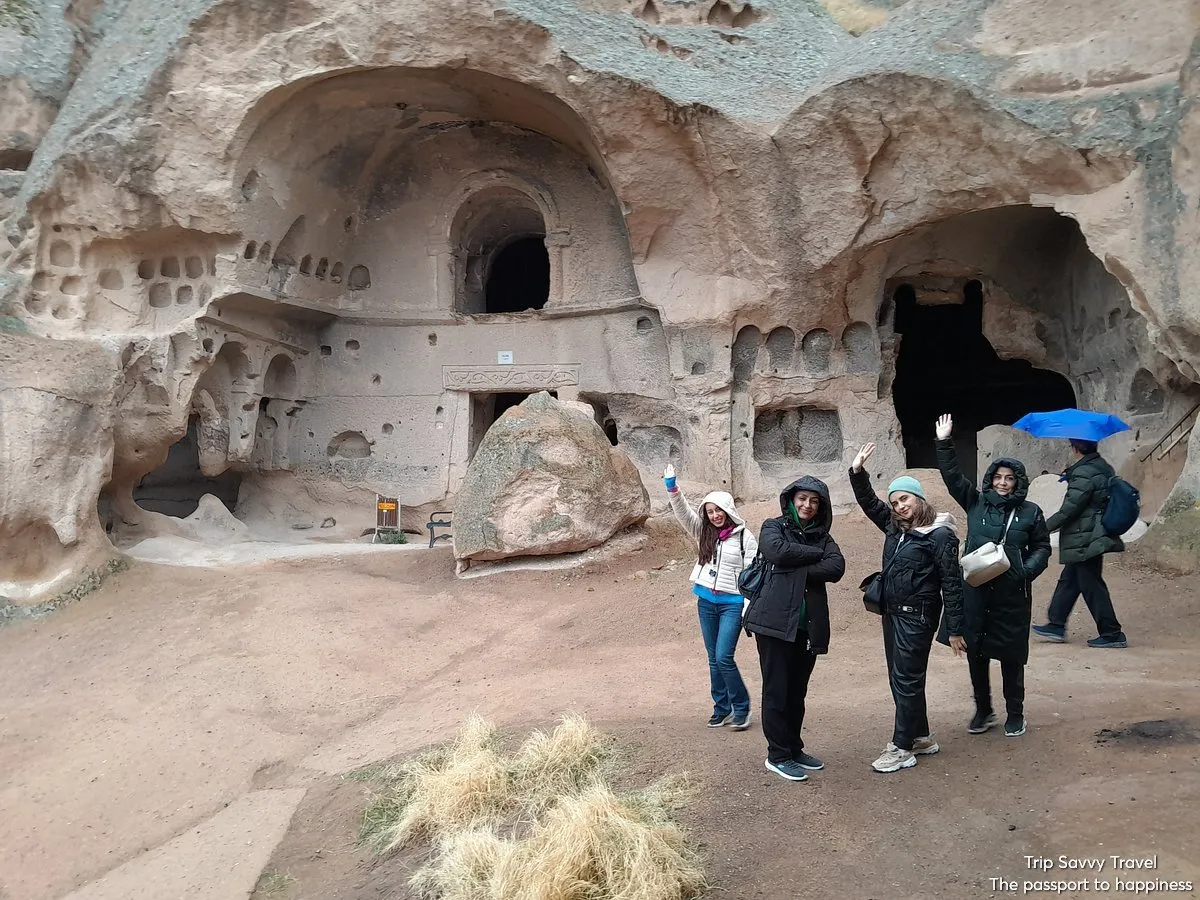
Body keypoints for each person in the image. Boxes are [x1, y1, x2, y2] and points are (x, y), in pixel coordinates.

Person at [849, 443, 966, 773]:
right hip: (892, 613)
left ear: (919, 499)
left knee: (907, 679)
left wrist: (955, 628)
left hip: (918, 617)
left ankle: (902, 748)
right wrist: (857, 472)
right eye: (896, 501)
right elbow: (870, 503)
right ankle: (921, 737)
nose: (900, 505)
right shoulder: (894, 526)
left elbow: (952, 583)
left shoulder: (939, 535)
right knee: (900, 678)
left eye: (905, 498)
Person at [933, 414, 1052, 738]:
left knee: (1012, 657)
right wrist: (944, 442)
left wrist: (1026, 571)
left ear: (1018, 481)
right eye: (998, 476)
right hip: (976, 591)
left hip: (1011, 595)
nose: (1002, 482)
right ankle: (983, 710)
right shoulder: (976, 502)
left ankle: (1016, 713)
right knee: (977, 653)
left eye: (1009, 478)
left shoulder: (1030, 512)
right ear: (991, 478)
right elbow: (953, 477)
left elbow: (1042, 545)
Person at [743, 476, 846, 782]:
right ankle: (777, 756)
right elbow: (775, 551)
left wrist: (795, 561)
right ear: (791, 499)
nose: (807, 505)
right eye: (802, 498)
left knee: (797, 691)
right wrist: (815, 556)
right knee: (776, 690)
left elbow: (837, 567)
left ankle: (793, 747)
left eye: (814, 501)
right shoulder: (774, 526)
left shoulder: (823, 537)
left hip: (807, 626)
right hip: (773, 623)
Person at [664, 463, 757, 730]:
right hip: (706, 600)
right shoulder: (703, 532)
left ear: (729, 511)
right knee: (712, 657)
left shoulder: (745, 538)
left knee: (723, 657)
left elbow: (753, 575)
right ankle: (721, 708)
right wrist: (672, 488)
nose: (715, 515)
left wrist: (747, 607)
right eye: (710, 511)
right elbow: (683, 513)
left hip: (732, 603)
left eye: (719, 510)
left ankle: (741, 708)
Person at [1032, 439, 1128, 648]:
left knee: (1091, 585)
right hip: (1090, 533)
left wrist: (1041, 529)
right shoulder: (1101, 467)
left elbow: (1070, 509)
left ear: (1075, 449)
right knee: (1070, 580)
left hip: (1086, 535)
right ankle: (1056, 624)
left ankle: (1112, 633)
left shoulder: (1085, 473)